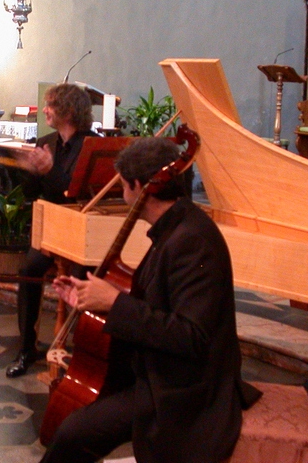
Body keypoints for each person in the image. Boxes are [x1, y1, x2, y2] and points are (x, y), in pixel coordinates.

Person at [41, 137, 260, 463]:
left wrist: (114, 303)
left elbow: (192, 336)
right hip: (157, 369)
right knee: (76, 422)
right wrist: (93, 299)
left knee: (74, 433)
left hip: (185, 388)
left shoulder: (193, 241)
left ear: (140, 186)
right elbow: (154, 305)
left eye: (123, 186)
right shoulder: (175, 228)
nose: (122, 193)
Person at [5, 83, 96, 378]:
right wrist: (27, 170)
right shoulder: (46, 142)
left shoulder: (91, 146)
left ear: (68, 112)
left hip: (82, 232)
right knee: (29, 270)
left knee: (82, 281)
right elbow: (32, 193)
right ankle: (26, 347)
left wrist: (48, 171)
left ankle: (83, 354)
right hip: (53, 229)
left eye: (50, 105)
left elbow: (73, 191)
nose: (44, 110)